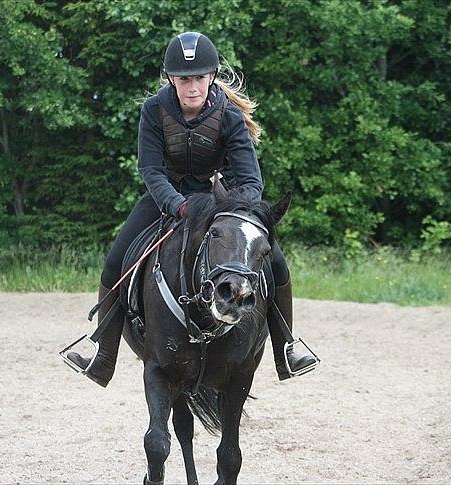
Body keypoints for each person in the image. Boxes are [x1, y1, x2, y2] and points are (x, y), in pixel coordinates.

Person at [66, 32, 317, 387]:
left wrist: (234, 210)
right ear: (172, 79)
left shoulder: (228, 117)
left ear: (211, 76)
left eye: (199, 77)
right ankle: (103, 354)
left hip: (219, 203)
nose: (192, 86)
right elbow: (150, 170)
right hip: (167, 199)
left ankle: (286, 348)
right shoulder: (154, 110)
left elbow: (251, 180)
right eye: (184, 79)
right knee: (116, 259)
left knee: (274, 260)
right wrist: (177, 204)